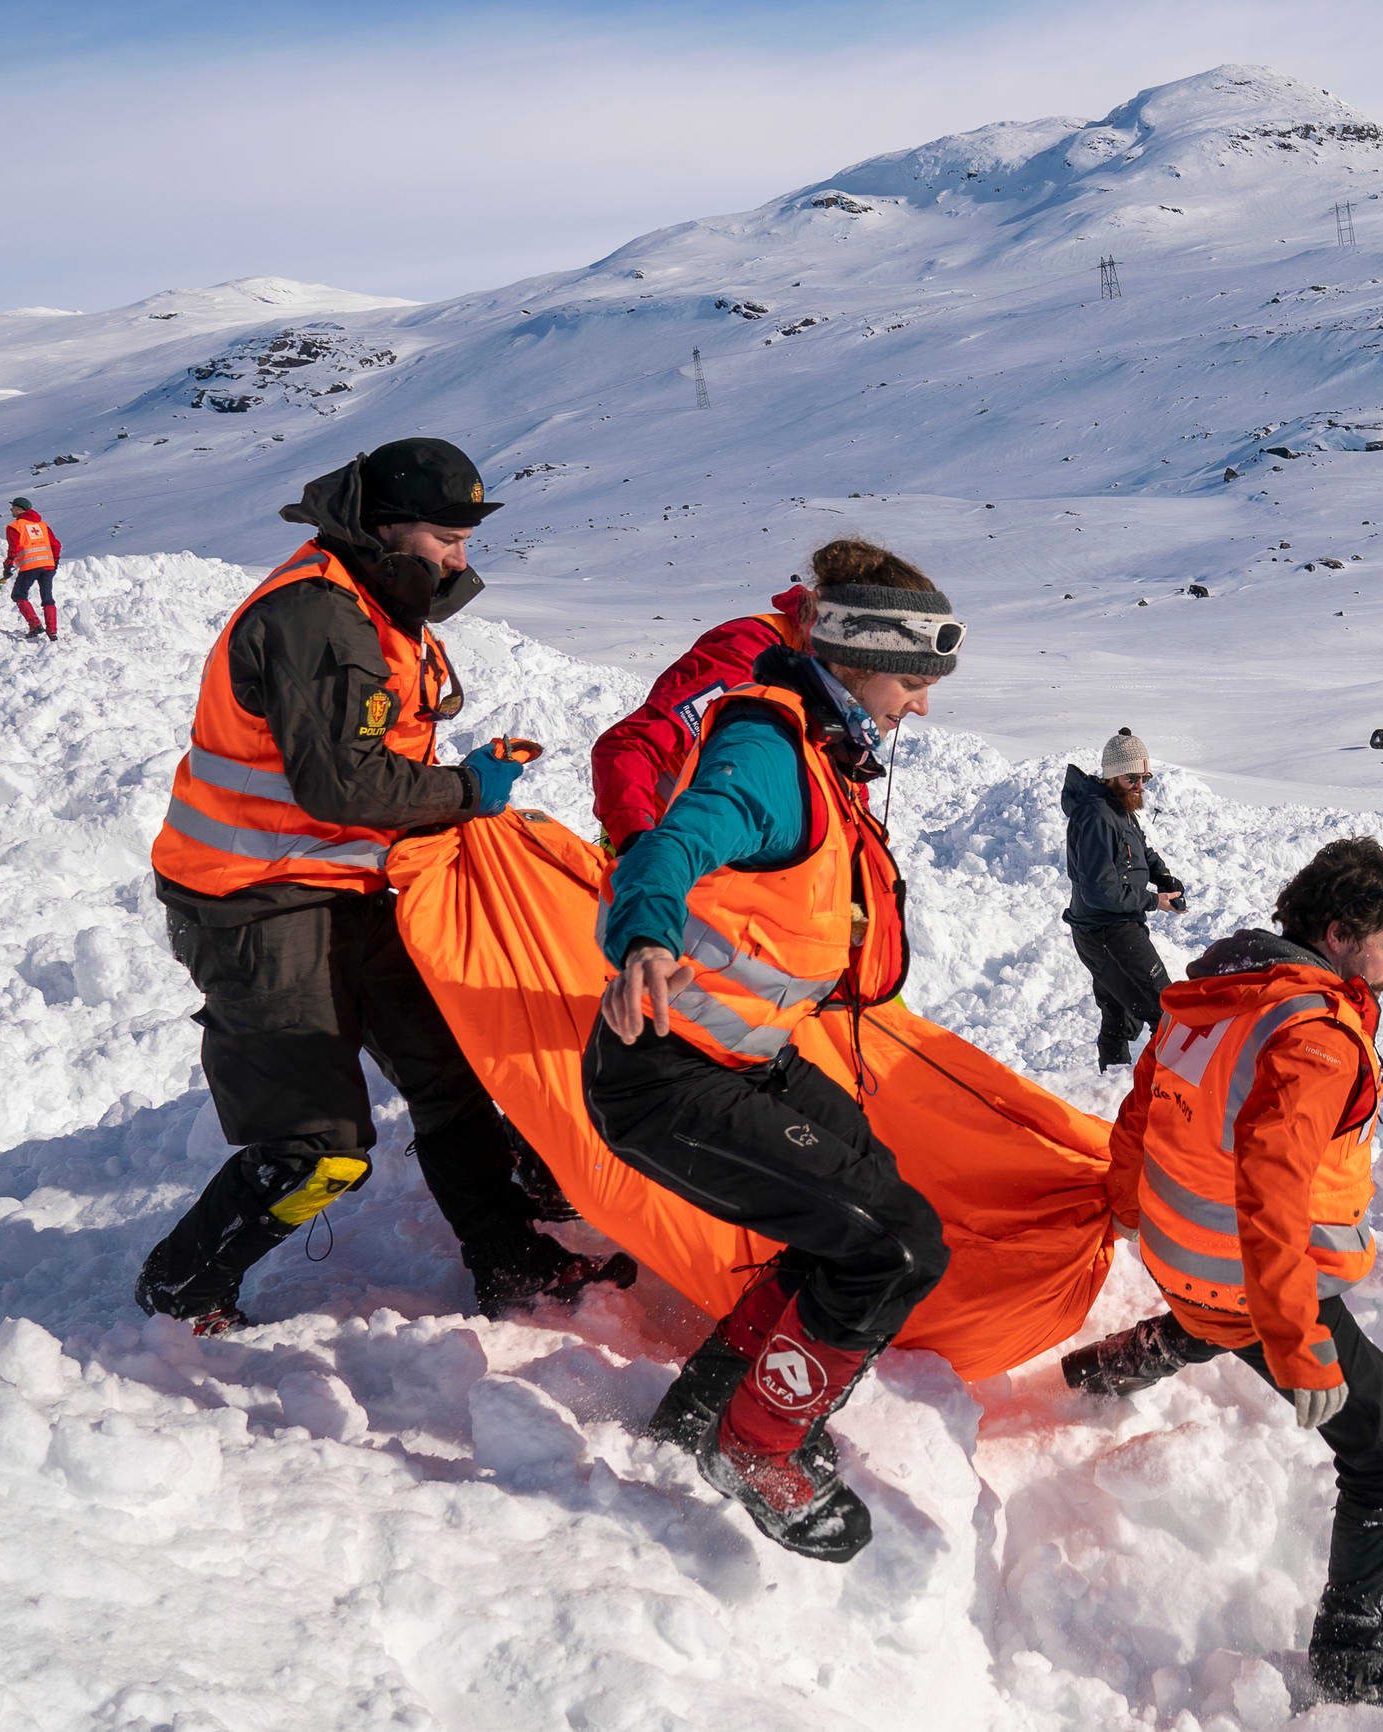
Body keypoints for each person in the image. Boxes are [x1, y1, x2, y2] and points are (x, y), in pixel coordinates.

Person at [139, 439, 590, 1334]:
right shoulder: (318, 617)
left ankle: (510, 1261)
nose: (459, 559)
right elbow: (340, 785)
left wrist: (453, 790)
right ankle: (181, 1290)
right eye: (445, 539)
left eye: (465, 541)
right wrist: (463, 792)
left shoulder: (372, 601)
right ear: (384, 529)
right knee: (319, 1149)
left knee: (449, 1074)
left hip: (343, 884)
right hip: (255, 900)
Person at [586, 538, 960, 1564]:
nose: (921, 706)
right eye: (911, 681)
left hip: (740, 1060)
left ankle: (708, 1408)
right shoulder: (769, 752)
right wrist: (644, 939)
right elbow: (674, 843)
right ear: (858, 660)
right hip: (666, 1073)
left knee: (869, 1213)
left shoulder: (816, 752)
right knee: (888, 1245)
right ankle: (760, 1447)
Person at [1061, 838, 1383, 1708]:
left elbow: (1141, 1107)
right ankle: (1348, 1657)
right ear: (1338, 934)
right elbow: (1271, 1190)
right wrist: (1298, 1341)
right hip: (1254, 1279)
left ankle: (1103, 1370)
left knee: (1212, 1320)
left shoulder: (1217, 998)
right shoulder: (1313, 1036)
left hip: (1179, 1256)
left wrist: (1128, 1207)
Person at [591, 579, 813, 855]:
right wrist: (636, 843)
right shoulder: (749, 659)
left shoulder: (830, 675)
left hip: (735, 853)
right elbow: (629, 746)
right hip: (664, 845)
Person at [1062, 728, 1185, 1070]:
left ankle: (1111, 1083)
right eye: (1133, 778)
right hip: (1105, 931)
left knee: (1120, 1013)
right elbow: (1100, 890)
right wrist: (1154, 901)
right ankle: (1168, 1087)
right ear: (1112, 775)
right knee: (1166, 1010)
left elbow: (1141, 851)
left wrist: (1164, 877)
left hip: (1116, 926)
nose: (1140, 785)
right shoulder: (1096, 816)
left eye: (1145, 778)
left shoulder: (1120, 808)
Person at [0, 496, 62, 640]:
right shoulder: (42, 525)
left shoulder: (15, 527)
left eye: (13, 507)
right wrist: (55, 562)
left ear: (19, 509)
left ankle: (35, 625)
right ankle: (52, 631)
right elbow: (56, 545)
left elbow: (13, 549)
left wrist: (7, 565)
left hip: (30, 566)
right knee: (47, 598)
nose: (11, 510)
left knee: (18, 595)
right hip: (48, 566)